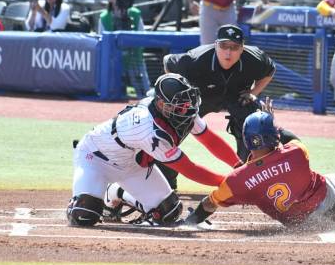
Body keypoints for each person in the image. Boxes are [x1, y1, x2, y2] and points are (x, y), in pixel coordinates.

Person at [182, 104, 335, 229]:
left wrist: (193, 220)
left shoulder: (237, 181)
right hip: (330, 193)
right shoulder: (297, 153)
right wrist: (272, 123)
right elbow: (288, 137)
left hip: (304, 221)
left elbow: (210, 203)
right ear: (271, 136)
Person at [68, 73, 241, 227]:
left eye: (187, 101)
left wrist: (238, 165)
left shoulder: (181, 111)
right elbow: (188, 168)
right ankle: (100, 196)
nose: (187, 108)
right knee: (85, 215)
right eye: (179, 104)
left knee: (168, 212)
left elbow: (209, 139)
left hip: (132, 164)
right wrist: (228, 182)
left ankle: (116, 191)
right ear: (161, 104)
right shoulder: (148, 127)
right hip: (96, 158)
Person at [164, 24, 299, 162]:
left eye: (234, 47)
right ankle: (164, 164)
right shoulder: (195, 59)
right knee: (169, 122)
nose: (228, 52)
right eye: (223, 46)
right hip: (200, 97)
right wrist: (181, 92)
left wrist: (253, 92)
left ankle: (247, 166)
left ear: (242, 48)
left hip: (237, 97)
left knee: (257, 121)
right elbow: (168, 62)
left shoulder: (254, 58)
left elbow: (270, 70)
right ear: (216, 45)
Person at [99, 0, 150, 97]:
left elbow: (142, 38)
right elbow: (102, 42)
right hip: (113, 62)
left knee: (145, 95)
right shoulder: (104, 17)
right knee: (111, 95)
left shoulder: (135, 14)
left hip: (134, 60)